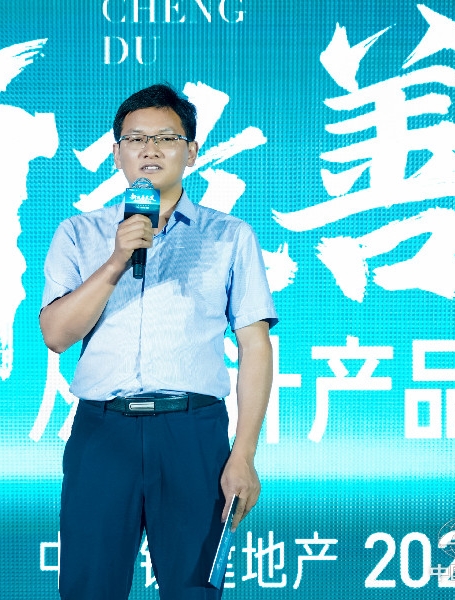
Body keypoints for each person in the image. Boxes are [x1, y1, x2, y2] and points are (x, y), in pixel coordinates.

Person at [40, 83, 277, 599]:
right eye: (135, 139)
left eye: (166, 138)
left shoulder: (230, 236)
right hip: (104, 434)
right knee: (88, 589)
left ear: (191, 152)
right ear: (116, 153)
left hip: (192, 434)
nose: (150, 149)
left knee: (194, 590)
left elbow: (255, 346)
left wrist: (243, 454)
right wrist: (116, 261)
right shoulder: (78, 234)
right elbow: (57, 336)